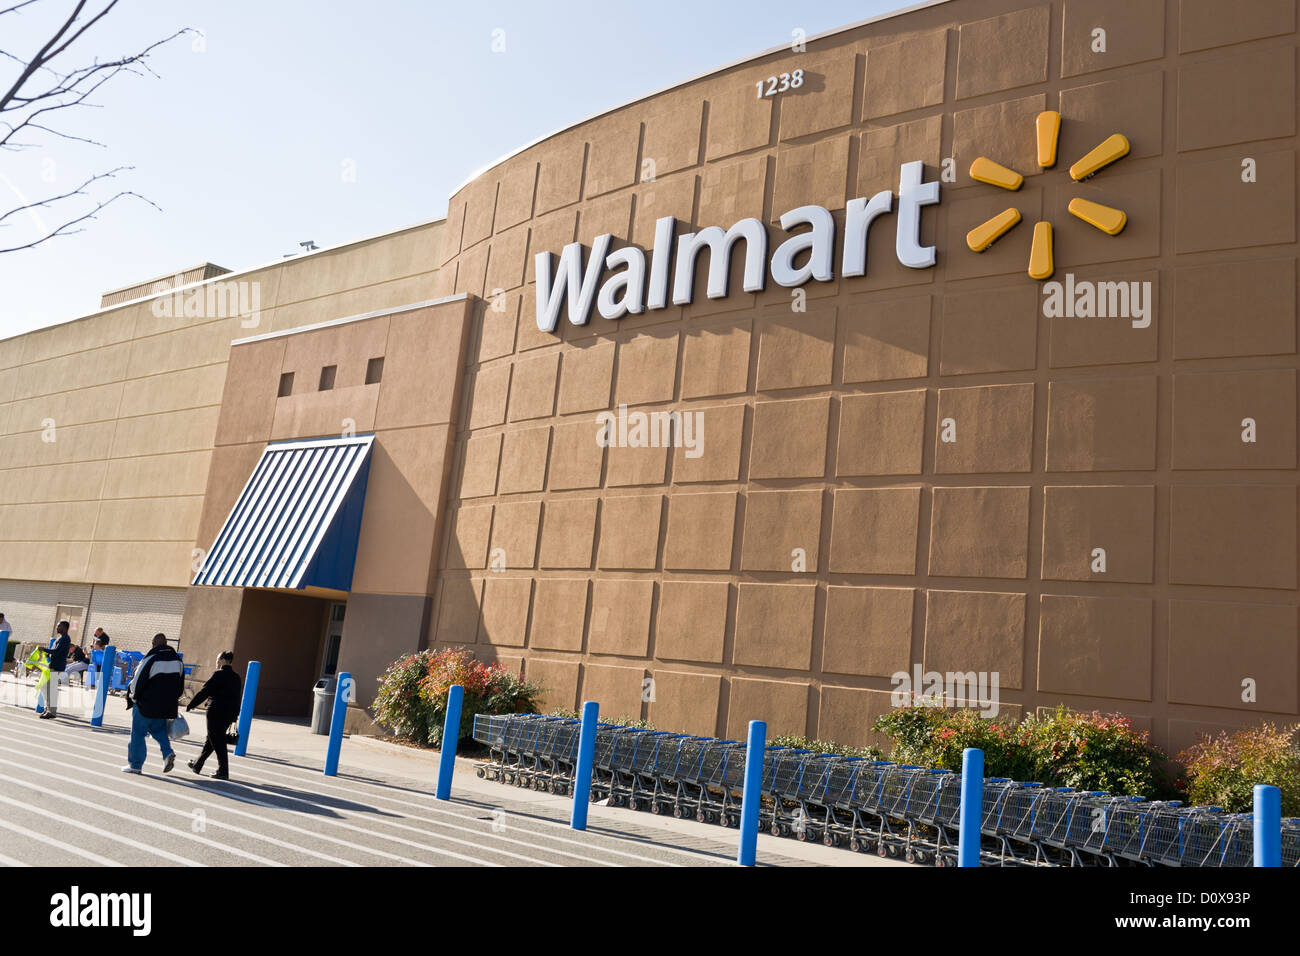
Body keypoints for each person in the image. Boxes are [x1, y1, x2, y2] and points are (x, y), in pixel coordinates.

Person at [122, 633, 183, 774]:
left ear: (153, 644)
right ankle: (167, 753)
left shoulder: (151, 658)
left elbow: (137, 681)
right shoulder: (178, 661)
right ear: (166, 643)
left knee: (137, 734)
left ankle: (135, 765)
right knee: (159, 730)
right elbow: (180, 688)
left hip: (146, 704)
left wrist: (133, 697)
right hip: (165, 706)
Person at [185, 651, 242, 780]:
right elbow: (237, 698)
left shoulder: (218, 674)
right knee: (212, 739)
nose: (216, 662)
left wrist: (192, 704)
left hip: (215, 711)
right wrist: (235, 715)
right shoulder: (236, 677)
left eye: (217, 659)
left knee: (217, 740)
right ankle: (197, 765)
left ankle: (223, 771)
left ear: (223, 660)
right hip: (228, 714)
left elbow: (205, 691)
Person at [40, 621, 71, 719]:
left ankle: (51, 711)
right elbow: (52, 653)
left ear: (65, 628)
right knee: (44, 687)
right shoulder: (59, 638)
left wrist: (44, 650)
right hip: (52, 666)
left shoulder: (65, 639)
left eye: (59, 626)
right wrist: (46, 654)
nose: (57, 627)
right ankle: (47, 708)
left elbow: (57, 652)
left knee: (51, 689)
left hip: (57, 666)